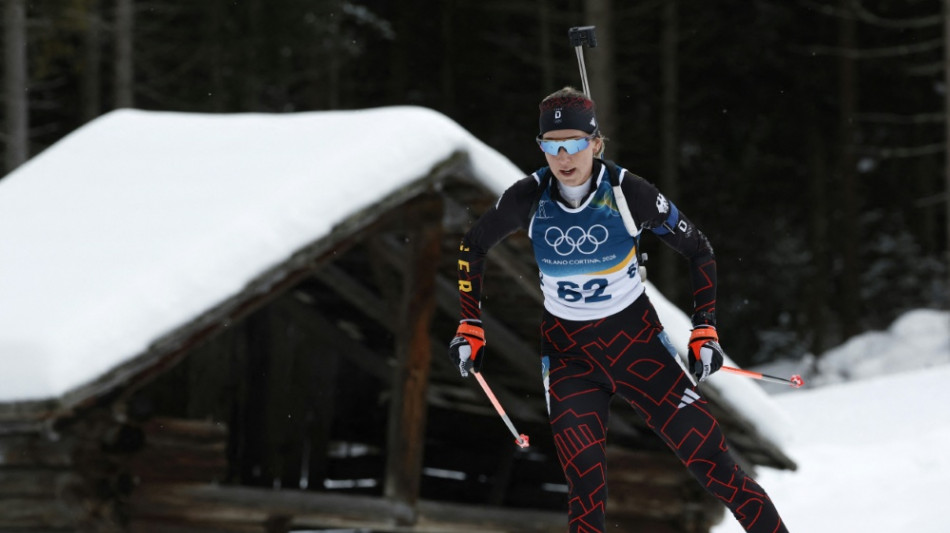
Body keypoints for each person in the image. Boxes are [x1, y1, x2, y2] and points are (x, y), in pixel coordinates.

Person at [448, 87, 788, 533]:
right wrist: (470, 322)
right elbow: (472, 246)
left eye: (573, 144)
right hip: (570, 355)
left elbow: (699, 250)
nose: (563, 157)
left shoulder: (629, 192)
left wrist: (705, 329)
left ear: (595, 143)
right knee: (585, 485)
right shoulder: (527, 197)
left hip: (638, 344)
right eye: (552, 146)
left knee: (712, 462)